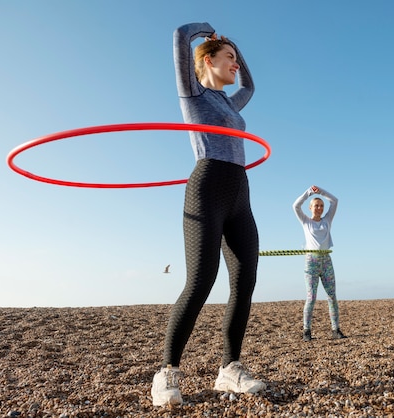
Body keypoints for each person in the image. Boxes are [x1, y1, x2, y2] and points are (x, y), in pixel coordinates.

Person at [151, 22, 265, 407]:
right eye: (228, 58)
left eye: (235, 59)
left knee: (245, 279)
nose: (235, 65)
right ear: (207, 61)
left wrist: (236, 47)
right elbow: (180, 36)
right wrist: (207, 33)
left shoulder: (230, 102)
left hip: (239, 192)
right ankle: (167, 371)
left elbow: (250, 86)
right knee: (201, 281)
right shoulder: (193, 93)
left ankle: (229, 368)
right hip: (207, 186)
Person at [293, 185, 347, 342]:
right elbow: (295, 206)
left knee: (332, 296)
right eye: (316, 205)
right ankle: (306, 331)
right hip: (311, 262)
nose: (319, 208)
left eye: (322, 205)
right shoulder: (305, 221)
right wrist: (309, 193)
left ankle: (336, 330)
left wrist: (321, 192)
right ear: (310, 207)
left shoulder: (327, 220)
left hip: (326, 262)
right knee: (311, 297)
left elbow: (335, 201)